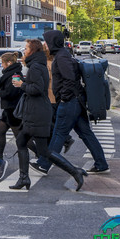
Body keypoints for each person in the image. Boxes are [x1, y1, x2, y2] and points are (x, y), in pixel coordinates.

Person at [10, 39, 86, 191]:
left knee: (44, 150)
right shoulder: (37, 65)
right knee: (21, 141)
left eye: (26, 48)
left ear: (33, 50)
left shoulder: (36, 67)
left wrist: (22, 85)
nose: (24, 51)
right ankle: (23, 178)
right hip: (35, 111)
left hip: (37, 112)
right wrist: (25, 82)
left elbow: (37, 89)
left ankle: (75, 172)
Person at [32, 30, 109, 175]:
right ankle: (101, 163)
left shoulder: (61, 57)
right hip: (75, 101)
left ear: (53, 42)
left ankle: (44, 164)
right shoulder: (63, 54)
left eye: (46, 42)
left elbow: (70, 79)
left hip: (69, 102)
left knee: (58, 134)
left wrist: (63, 97)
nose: (44, 45)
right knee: (86, 133)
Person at [0, 52, 23, 159]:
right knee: (1, 131)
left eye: (2, 63)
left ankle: (40, 155)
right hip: (8, 108)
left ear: (9, 63)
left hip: (12, 108)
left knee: (20, 137)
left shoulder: (15, 74)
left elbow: (11, 93)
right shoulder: (10, 73)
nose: (2, 65)